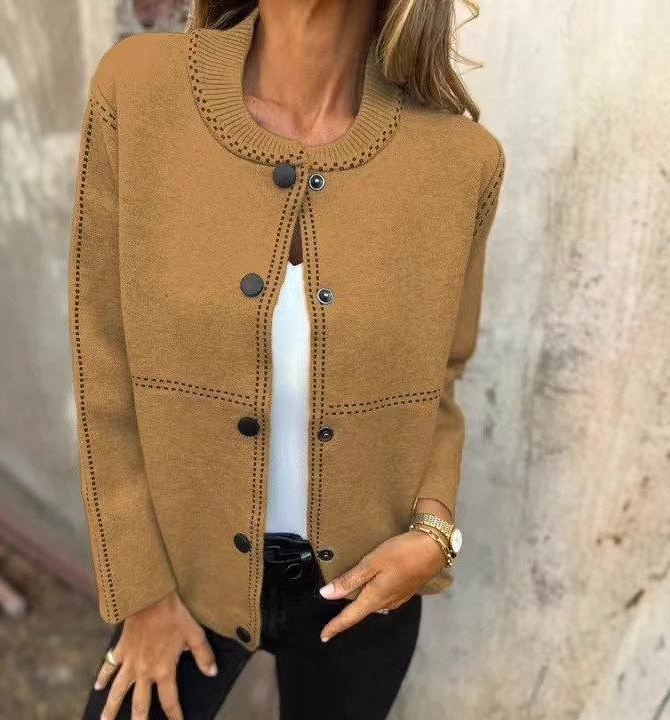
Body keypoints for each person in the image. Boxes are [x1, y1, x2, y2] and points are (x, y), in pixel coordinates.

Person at [68, 1, 506, 718]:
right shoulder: (140, 92)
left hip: (367, 592)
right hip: (181, 581)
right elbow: (103, 365)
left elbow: (442, 379)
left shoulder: (462, 162)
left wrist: (433, 533)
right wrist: (141, 594)